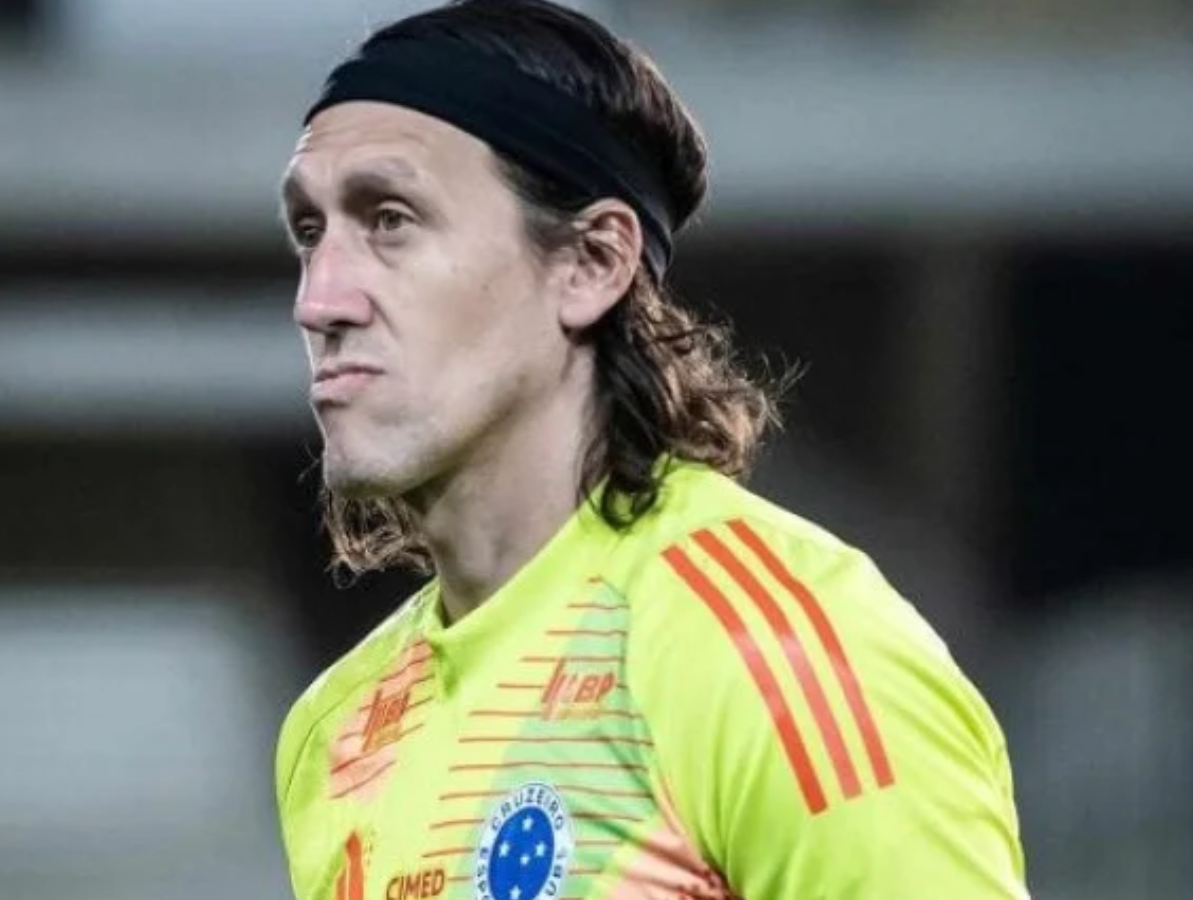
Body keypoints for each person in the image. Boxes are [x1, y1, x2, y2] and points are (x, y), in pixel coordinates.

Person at [274, 1, 1029, 898]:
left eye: (391, 220)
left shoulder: (773, 648)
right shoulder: (336, 730)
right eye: (311, 233)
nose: (319, 300)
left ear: (592, 263)